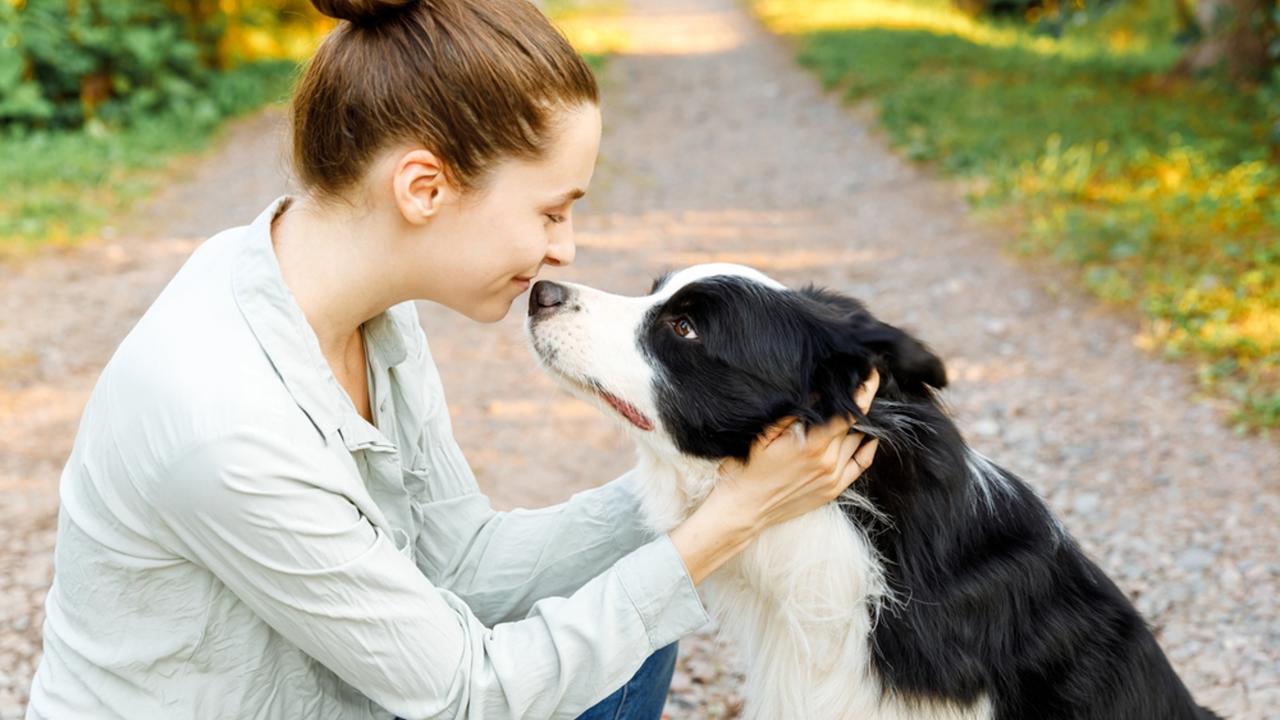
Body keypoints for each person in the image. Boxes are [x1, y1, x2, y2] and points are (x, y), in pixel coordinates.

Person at [24, 0, 880, 717]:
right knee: (644, 599)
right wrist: (725, 524)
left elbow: (463, 562)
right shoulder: (224, 420)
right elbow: (467, 695)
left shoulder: (351, 306)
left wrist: (726, 472)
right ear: (424, 188)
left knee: (634, 605)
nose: (566, 250)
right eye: (552, 212)